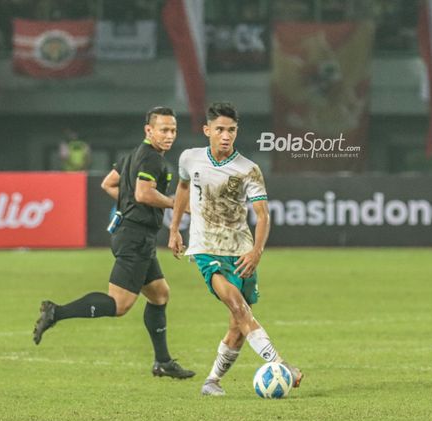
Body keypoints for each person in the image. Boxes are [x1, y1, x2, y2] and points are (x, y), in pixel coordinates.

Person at [33, 106, 195, 380]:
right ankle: (56, 312)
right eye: (164, 130)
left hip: (133, 234)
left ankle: (163, 362)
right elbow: (144, 194)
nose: (169, 135)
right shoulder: (152, 159)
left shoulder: (133, 155)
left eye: (173, 130)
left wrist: (128, 202)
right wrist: (176, 204)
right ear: (149, 130)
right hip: (135, 238)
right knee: (119, 305)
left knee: (159, 294)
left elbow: (108, 184)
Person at [168, 102, 303, 396]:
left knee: (238, 326)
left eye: (231, 130)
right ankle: (281, 365)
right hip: (205, 249)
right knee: (238, 306)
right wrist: (174, 228)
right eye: (220, 130)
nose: (226, 135)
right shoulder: (190, 159)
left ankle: (211, 381)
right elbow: (182, 189)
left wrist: (256, 252)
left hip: (240, 251)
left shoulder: (248, 170)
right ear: (207, 131)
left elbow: (263, 215)